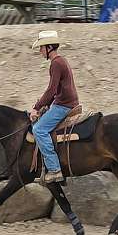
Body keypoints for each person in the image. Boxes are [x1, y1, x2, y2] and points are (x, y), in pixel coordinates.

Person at [30, 30, 79, 183]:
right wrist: (47, 105)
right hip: (64, 102)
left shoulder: (56, 63)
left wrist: (36, 107)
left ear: (49, 47)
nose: (40, 51)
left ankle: (54, 169)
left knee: (39, 129)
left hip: (63, 105)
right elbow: (56, 90)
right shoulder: (61, 61)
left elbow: (51, 89)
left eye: (41, 47)